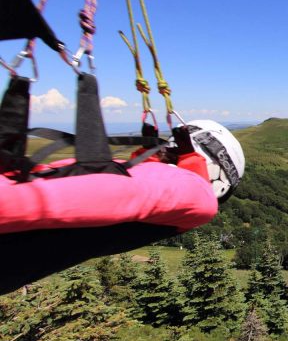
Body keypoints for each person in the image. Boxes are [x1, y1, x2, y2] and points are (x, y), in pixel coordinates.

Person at [0, 119, 245, 293]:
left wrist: (174, 168)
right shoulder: (179, 210)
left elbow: (92, 191)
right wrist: (156, 165)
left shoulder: (194, 198)